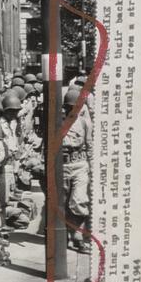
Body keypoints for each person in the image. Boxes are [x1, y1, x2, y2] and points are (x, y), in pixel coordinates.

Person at [61, 89, 93, 253]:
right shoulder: (58, 122)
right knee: (64, 204)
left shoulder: (85, 123)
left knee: (79, 201)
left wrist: (92, 167)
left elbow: (90, 146)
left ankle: (79, 238)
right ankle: (68, 236)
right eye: (70, 107)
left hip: (80, 165)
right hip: (62, 166)